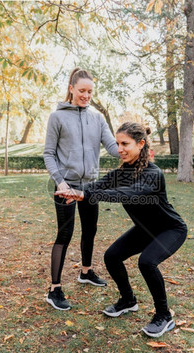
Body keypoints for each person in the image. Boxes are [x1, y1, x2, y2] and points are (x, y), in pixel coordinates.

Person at [55, 122, 187, 338]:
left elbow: (130, 193)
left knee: (147, 262)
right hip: (146, 229)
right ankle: (128, 300)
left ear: (141, 144)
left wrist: (86, 196)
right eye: (117, 144)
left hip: (170, 229)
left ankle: (164, 316)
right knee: (112, 257)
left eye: (125, 143)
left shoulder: (153, 174)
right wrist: (74, 192)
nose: (120, 149)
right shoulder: (122, 172)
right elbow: (98, 186)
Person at [43, 67, 119, 311]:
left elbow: (112, 146)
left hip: (90, 186)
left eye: (90, 91)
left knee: (90, 230)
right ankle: (54, 289)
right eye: (82, 90)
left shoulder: (97, 118)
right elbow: (48, 153)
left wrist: (133, 150)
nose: (86, 95)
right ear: (71, 89)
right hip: (66, 185)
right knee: (65, 234)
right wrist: (60, 181)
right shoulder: (57, 117)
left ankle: (85, 272)